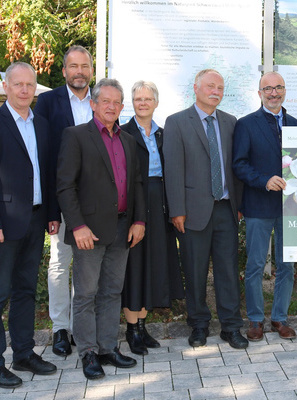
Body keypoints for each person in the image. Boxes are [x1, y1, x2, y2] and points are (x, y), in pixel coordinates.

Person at [56, 78, 146, 379]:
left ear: (122, 106)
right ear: (93, 104)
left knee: (111, 292)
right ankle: (88, 352)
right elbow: (65, 186)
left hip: (122, 229)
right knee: (85, 294)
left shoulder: (129, 141)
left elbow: (137, 186)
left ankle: (108, 348)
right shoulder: (76, 136)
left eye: (116, 102)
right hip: (88, 233)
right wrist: (78, 226)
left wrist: (139, 220)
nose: (111, 106)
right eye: (104, 101)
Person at [163, 69, 248, 350]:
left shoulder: (230, 122)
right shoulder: (176, 122)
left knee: (227, 270)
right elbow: (173, 170)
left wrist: (238, 205)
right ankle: (198, 324)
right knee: (195, 271)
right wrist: (177, 210)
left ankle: (231, 326)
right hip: (191, 212)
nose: (216, 91)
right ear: (196, 88)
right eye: (210, 86)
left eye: (220, 87)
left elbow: (236, 167)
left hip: (225, 208)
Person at [0, 62, 60, 388]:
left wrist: (52, 213)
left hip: (36, 219)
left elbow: (47, 173)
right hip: (5, 223)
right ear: (6, 87)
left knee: (25, 290)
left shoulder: (42, 125)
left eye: (30, 85)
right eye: (18, 84)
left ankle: (23, 353)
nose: (24, 90)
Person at [34, 45, 94, 356]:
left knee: (88, 266)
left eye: (84, 66)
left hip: (96, 202)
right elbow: (43, 156)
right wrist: (50, 208)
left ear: (91, 70)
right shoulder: (47, 102)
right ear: (64, 70)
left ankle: (81, 327)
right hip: (62, 198)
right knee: (60, 262)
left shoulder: (102, 101)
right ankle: (60, 328)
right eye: (74, 66)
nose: (79, 71)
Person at [232, 72, 297, 341]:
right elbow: (239, 164)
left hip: (291, 207)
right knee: (255, 266)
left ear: (285, 90)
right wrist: (263, 181)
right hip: (259, 205)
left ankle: (280, 319)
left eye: (278, 87)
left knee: (287, 266)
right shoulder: (246, 124)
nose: (274, 93)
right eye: (268, 88)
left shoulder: (295, 123)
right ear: (259, 93)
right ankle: (256, 320)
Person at [120, 81, 184, 355]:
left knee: (154, 265)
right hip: (135, 204)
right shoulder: (123, 133)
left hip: (160, 205)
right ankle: (131, 330)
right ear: (132, 103)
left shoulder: (164, 134)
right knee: (134, 266)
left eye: (148, 99)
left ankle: (143, 327)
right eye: (138, 99)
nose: (143, 103)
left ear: (156, 103)